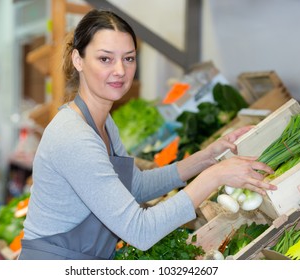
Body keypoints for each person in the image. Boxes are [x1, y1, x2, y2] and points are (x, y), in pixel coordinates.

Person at [18, 9, 277, 260]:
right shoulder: (73, 135)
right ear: (78, 60)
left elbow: (135, 187)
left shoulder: (103, 121)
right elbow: (140, 231)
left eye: (128, 58)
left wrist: (206, 158)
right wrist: (214, 176)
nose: (120, 70)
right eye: (105, 59)